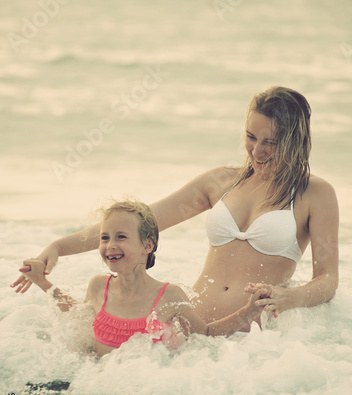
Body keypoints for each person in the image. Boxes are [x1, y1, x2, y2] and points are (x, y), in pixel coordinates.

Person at [12, 86, 339, 325]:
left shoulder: (315, 194)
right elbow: (135, 224)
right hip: (189, 322)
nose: (257, 151)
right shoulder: (221, 182)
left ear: (295, 140)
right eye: (251, 137)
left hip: (252, 338)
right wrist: (58, 246)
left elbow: (327, 280)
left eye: (271, 142)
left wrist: (289, 297)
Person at [19, 199, 268, 356]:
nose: (110, 245)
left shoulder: (169, 296)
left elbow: (206, 334)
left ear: (147, 245)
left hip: (141, 394)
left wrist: (248, 311)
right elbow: (77, 317)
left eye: (121, 237)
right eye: (105, 238)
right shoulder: (98, 287)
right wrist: (42, 282)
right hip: (98, 386)